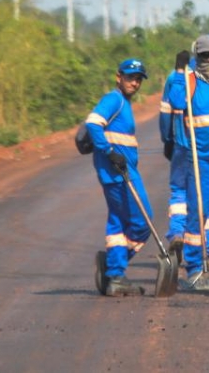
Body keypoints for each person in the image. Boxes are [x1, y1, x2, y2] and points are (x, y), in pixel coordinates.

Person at [167, 35, 209, 290]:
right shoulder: (189, 81)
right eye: (205, 56)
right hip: (200, 159)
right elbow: (177, 101)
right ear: (197, 57)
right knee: (197, 213)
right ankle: (193, 269)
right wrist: (180, 71)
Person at [86, 58, 150, 297]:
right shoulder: (114, 99)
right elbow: (93, 123)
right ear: (118, 77)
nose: (134, 82)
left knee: (117, 222)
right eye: (130, 77)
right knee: (143, 221)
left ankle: (114, 274)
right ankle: (114, 270)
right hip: (118, 173)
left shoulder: (123, 102)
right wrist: (109, 151)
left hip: (118, 172)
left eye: (138, 79)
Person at [159, 49, 191, 260]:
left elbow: (165, 112)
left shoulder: (175, 78)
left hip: (180, 144)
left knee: (179, 191)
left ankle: (177, 232)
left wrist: (167, 139)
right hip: (206, 149)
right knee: (204, 196)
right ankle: (198, 250)